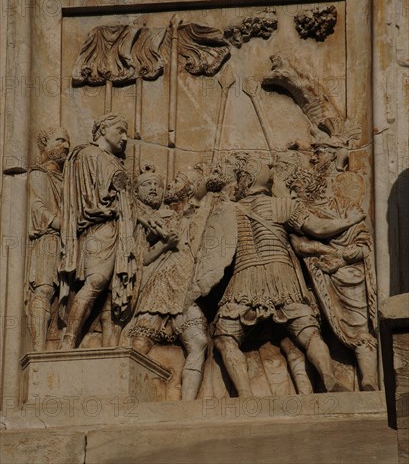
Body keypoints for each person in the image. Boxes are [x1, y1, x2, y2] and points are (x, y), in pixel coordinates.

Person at [213, 155, 365, 396]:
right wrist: (349, 220)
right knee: (308, 332)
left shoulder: (226, 210)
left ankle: (245, 394)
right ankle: (328, 376)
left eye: (241, 177)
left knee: (224, 337)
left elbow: (212, 254)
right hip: (282, 277)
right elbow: (318, 228)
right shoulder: (283, 205)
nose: (239, 182)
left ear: (249, 179)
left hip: (245, 278)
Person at [121, 165, 209, 400]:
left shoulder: (183, 215)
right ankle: (123, 398)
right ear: (137, 192)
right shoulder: (143, 220)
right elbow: (142, 258)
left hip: (184, 288)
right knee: (140, 343)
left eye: (158, 185)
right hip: (159, 286)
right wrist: (165, 245)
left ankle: (187, 406)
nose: (154, 188)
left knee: (199, 341)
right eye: (148, 185)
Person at [290, 172, 378, 390]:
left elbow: (364, 244)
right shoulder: (296, 213)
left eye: (296, 187)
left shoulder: (344, 206)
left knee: (360, 331)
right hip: (314, 278)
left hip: (348, 276)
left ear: (310, 187)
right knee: (311, 328)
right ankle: (324, 382)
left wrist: (339, 258)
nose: (293, 193)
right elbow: (300, 246)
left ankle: (369, 380)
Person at [59, 113, 135, 349]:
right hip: (99, 228)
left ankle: (109, 345)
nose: (125, 138)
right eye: (120, 130)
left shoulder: (110, 159)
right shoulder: (90, 154)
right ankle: (68, 340)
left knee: (112, 292)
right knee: (96, 282)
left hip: (118, 229)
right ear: (103, 130)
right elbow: (103, 193)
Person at [26, 126, 70, 351]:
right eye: (60, 141)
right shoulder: (39, 174)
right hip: (49, 238)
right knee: (44, 289)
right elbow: (37, 207)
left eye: (67, 142)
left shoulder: (68, 181)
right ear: (46, 143)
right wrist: (58, 222)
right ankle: (38, 349)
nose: (66, 146)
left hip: (70, 241)